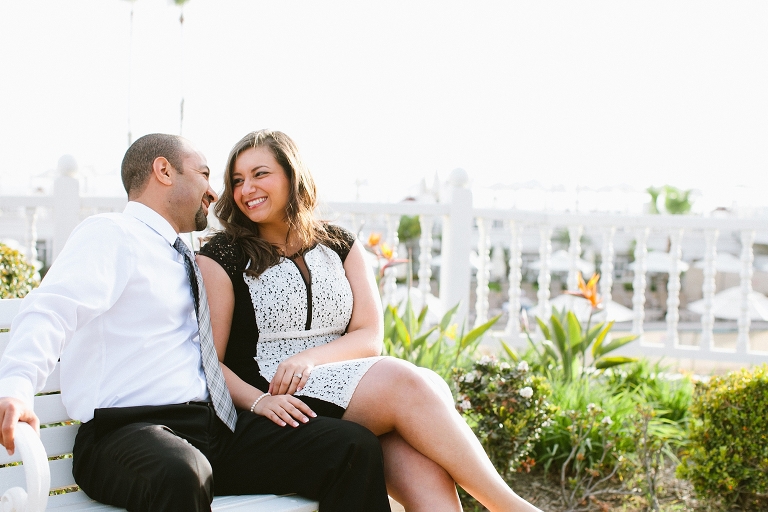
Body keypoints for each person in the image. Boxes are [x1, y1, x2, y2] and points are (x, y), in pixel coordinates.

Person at [0, 134, 391, 512]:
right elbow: (51, 309)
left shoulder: (184, 254)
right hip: (125, 434)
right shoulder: (112, 234)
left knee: (352, 448)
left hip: (211, 431)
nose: (216, 191)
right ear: (164, 171)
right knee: (183, 471)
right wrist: (17, 388)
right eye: (204, 174)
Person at [197, 129, 542, 512]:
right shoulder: (223, 254)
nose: (247, 189)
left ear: (292, 175)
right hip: (272, 392)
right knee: (408, 381)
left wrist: (310, 359)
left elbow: (369, 335)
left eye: (260, 174)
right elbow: (211, 359)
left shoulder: (339, 243)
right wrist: (259, 400)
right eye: (238, 181)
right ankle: (509, 507)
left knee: (422, 417)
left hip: (340, 377)